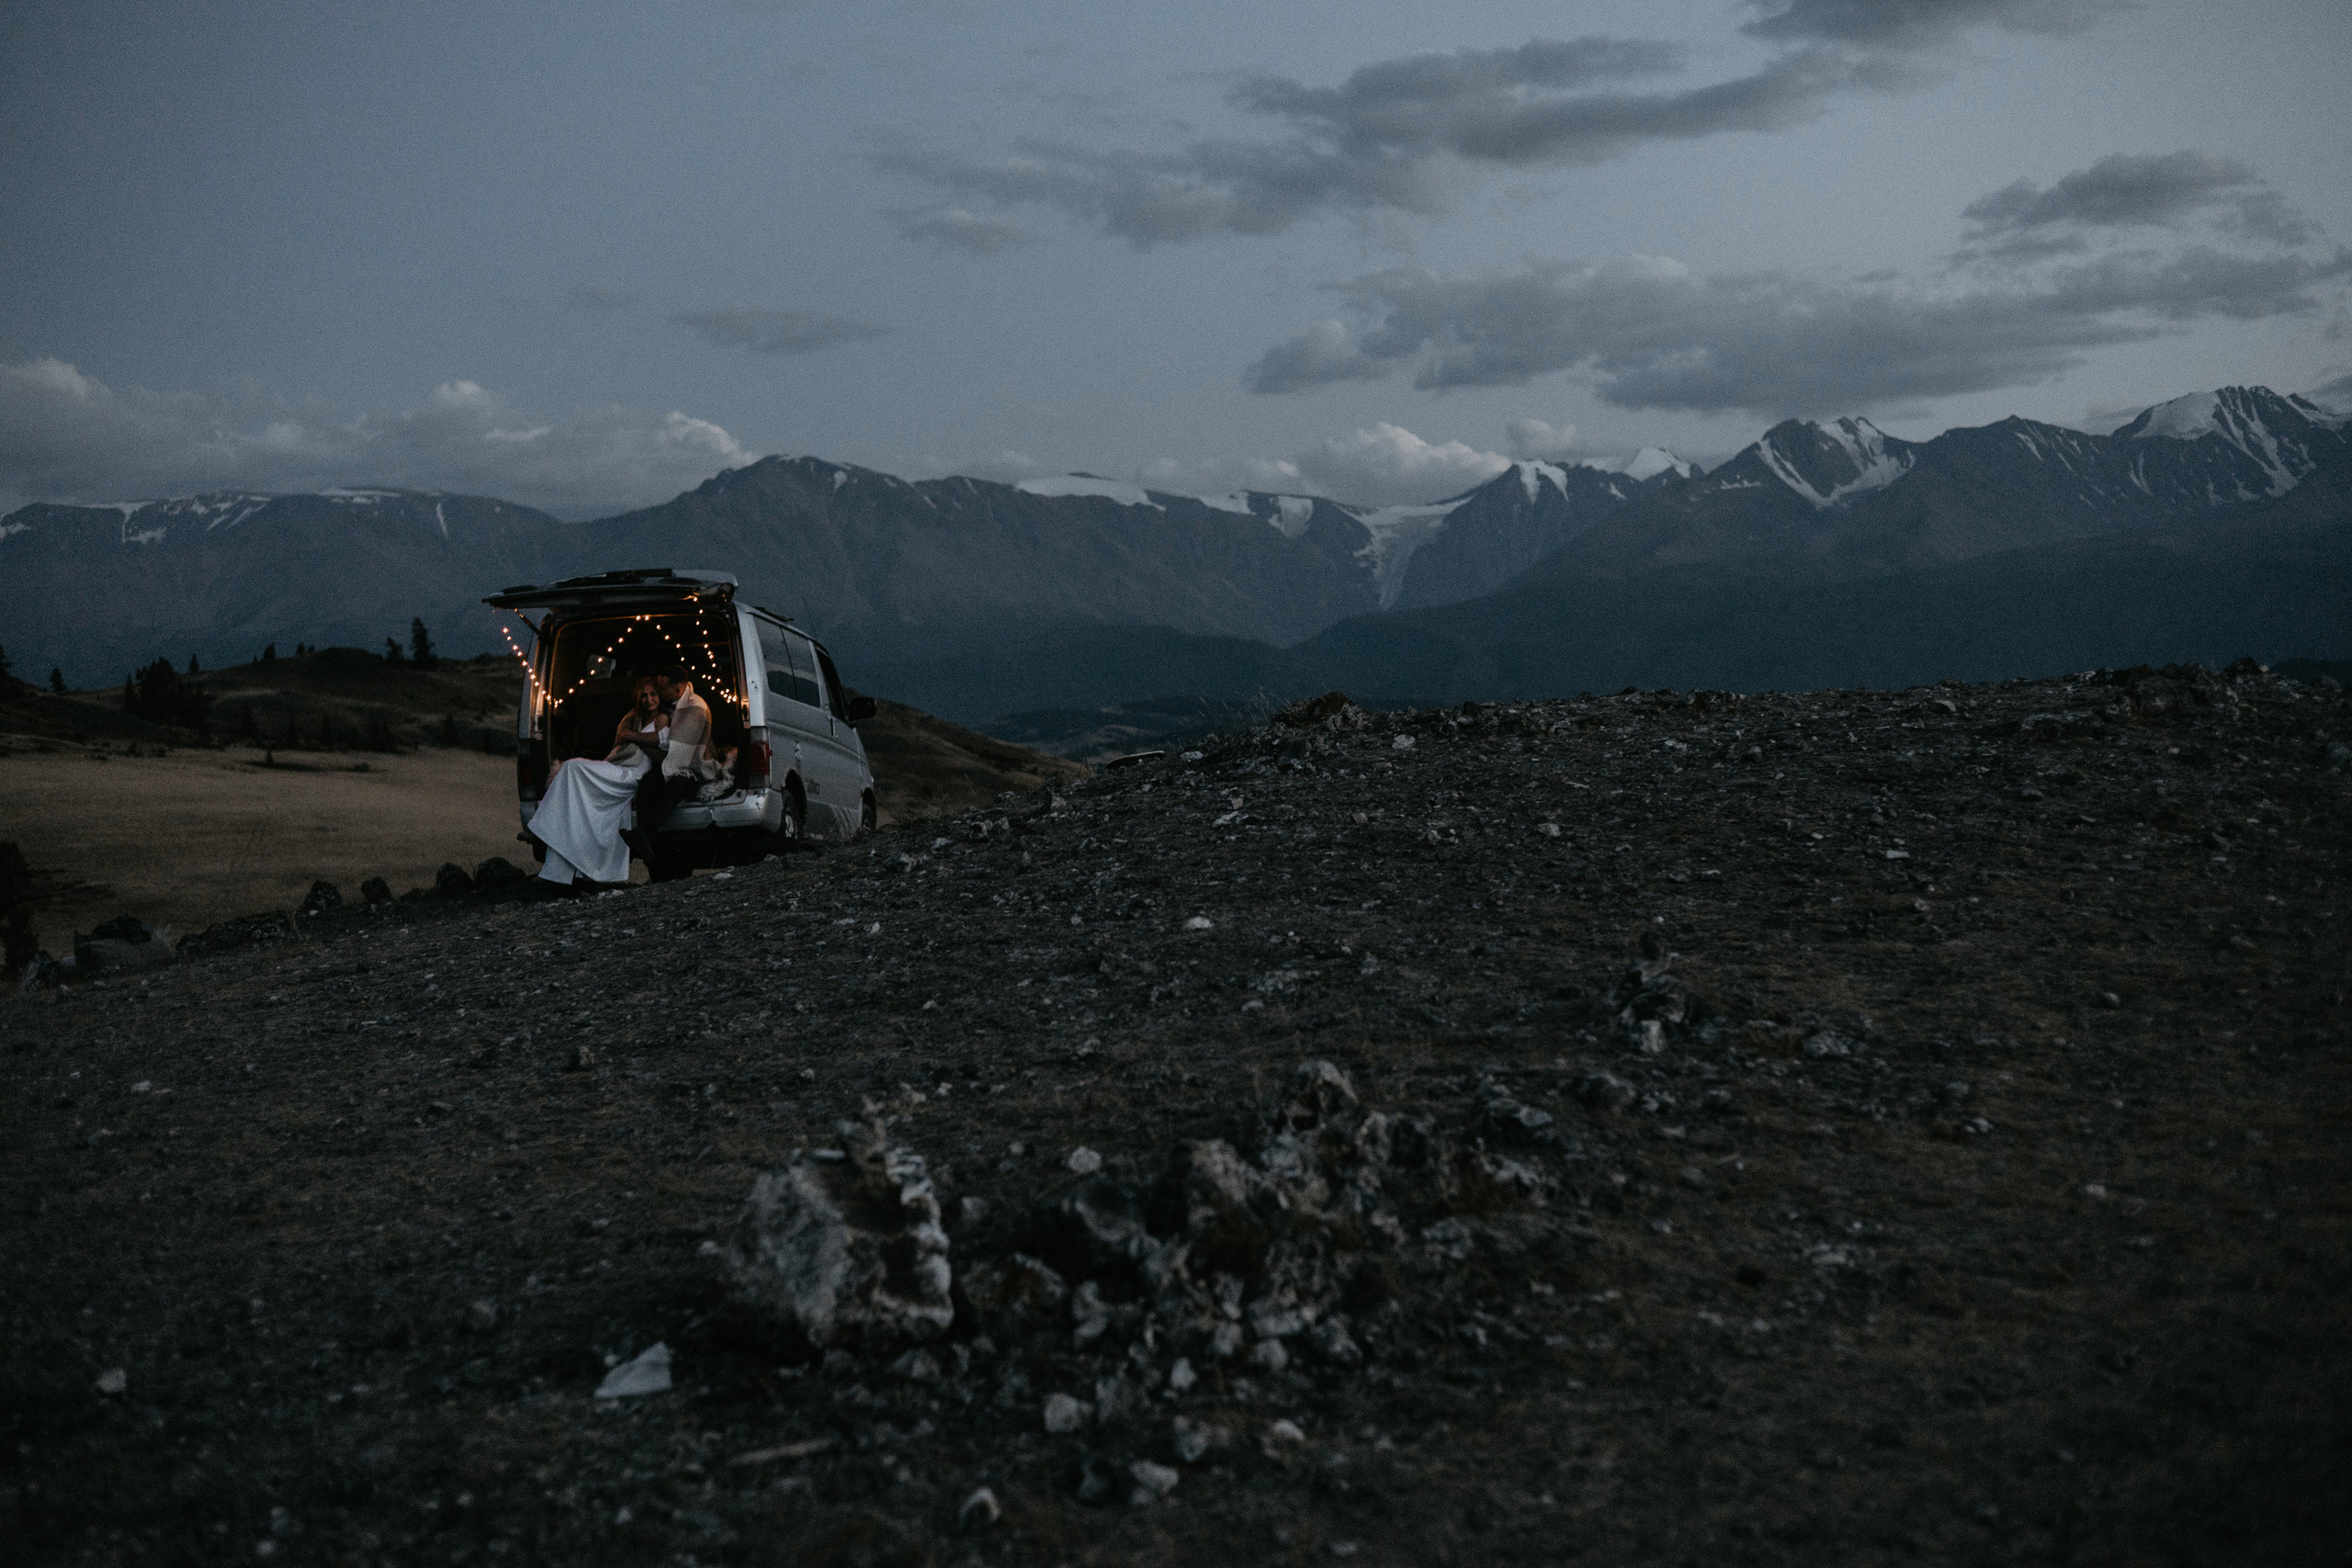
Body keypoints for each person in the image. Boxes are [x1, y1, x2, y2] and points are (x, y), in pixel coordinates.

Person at [533, 678, 664, 887]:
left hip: (631, 775)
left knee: (572, 766)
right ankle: (559, 869)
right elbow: (619, 742)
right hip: (619, 767)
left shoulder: (662, 718)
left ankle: (541, 821)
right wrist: (629, 728)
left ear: (660, 696)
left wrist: (632, 736)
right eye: (644, 696)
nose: (649, 700)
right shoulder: (635, 718)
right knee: (574, 792)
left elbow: (660, 744)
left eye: (653, 695)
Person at [627, 665, 717, 862]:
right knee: (649, 783)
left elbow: (673, 743)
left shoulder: (695, 706)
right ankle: (647, 847)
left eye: (661, 688)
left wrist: (633, 737)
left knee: (678, 784)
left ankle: (645, 832)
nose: (657, 692)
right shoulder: (667, 706)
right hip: (670, 763)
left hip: (693, 767)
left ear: (677, 689)